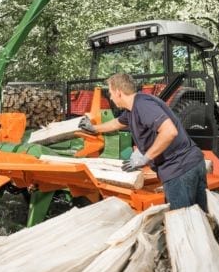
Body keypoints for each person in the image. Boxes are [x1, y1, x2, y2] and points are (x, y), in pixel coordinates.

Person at [79, 73, 207, 211]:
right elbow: (116, 123)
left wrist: (145, 158)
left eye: (110, 93)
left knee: (184, 223)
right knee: (201, 218)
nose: (110, 97)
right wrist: (93, 128)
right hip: (192, 163)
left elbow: (169, 131)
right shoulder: (132, 109)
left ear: (118, 92)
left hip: (179, 169)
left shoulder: (142, 105)